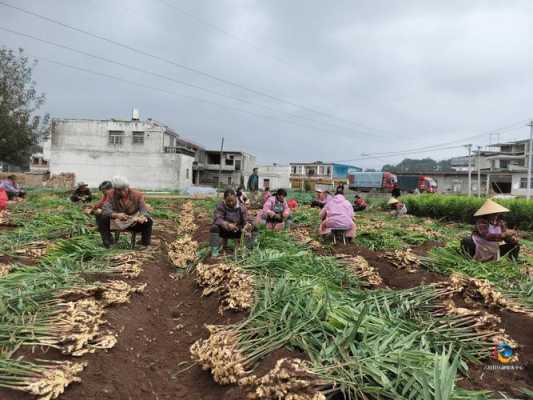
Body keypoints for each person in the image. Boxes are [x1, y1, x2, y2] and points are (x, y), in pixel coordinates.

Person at [98, 176, 152, 249]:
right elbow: (105, 209)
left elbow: (143, 210)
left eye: (124, 189)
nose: (122, 192)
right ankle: (109, 243)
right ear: (115, 189)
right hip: (116, 221)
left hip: (132, 222)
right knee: (102, 218)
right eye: (119, 190)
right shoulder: (110, 195)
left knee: (148, 221)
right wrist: (116, 215)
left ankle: (144, 244)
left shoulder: (137, 195)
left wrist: (143, 216)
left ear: (127, 186)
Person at [210, 189, 256, 256]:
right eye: (228, 201)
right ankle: (214, 251)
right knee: (214, 228)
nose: (231, 203)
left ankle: (248, 249)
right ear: (224, 200)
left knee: (254, 228)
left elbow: (247, 219)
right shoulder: (221, 206)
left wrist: (248, 226)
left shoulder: (241, 207)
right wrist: (227, 224)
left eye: (232, 200)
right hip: (225, 230)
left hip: (237, 230)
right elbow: (217, 218)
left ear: (236, 198)